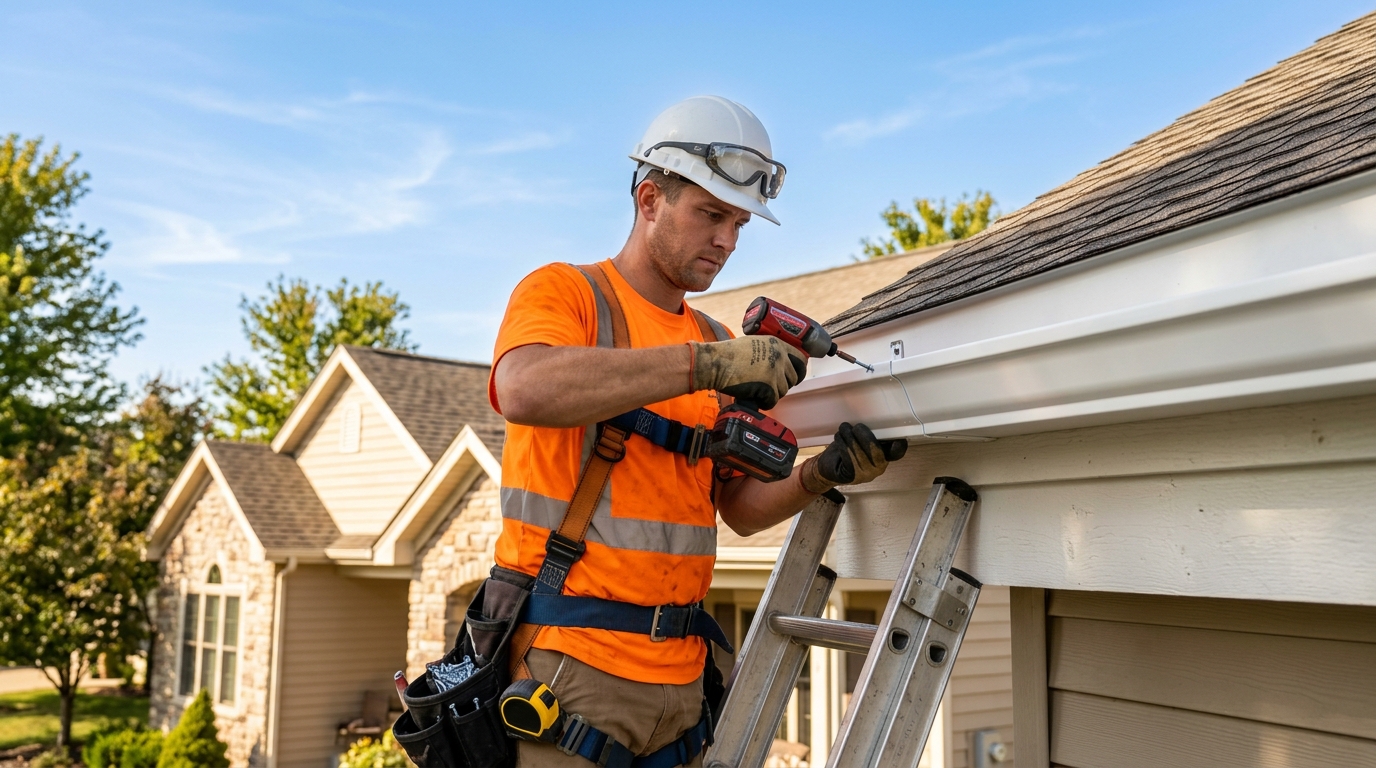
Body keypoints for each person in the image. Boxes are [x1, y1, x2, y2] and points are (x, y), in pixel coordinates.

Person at [488, 95, 903, 768]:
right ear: (649, 199)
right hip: (569, 669)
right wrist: (706, 365)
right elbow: (524, 389)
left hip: (682, 681)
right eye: (710, 215)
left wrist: (819, 476)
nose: (727, 241)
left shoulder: (714, 338)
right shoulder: (567, 294)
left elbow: (735, 510)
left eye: (738, 223)